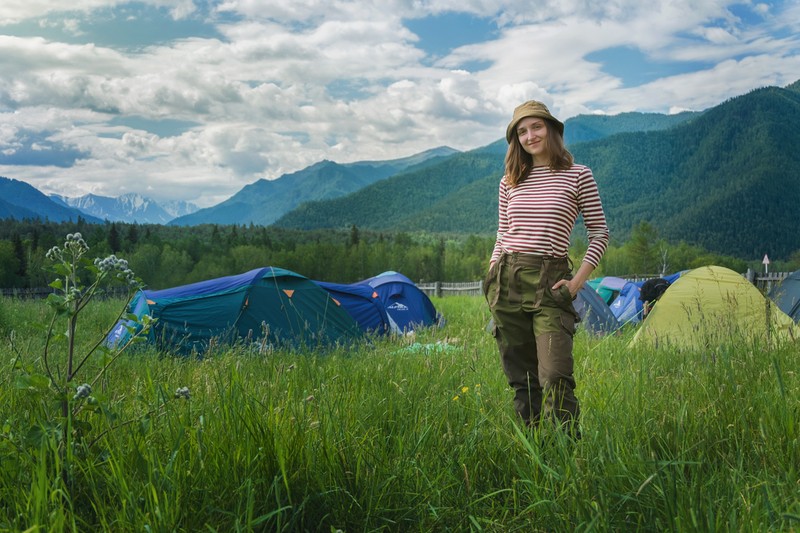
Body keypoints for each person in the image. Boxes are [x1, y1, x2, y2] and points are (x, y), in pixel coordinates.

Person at [483, 100, 609, 437]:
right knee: (522, 380)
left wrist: (577, 282)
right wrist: (493, 271)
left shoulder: (579, 175)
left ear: (552, 130)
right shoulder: (509, 180)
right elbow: (502, 232)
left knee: (554, 376)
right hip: (506, 281)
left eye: (536, 127)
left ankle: (569, 456)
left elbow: (599, 232)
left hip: (552, 280)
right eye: (521, 131)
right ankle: (536, 452)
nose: (529, 135)